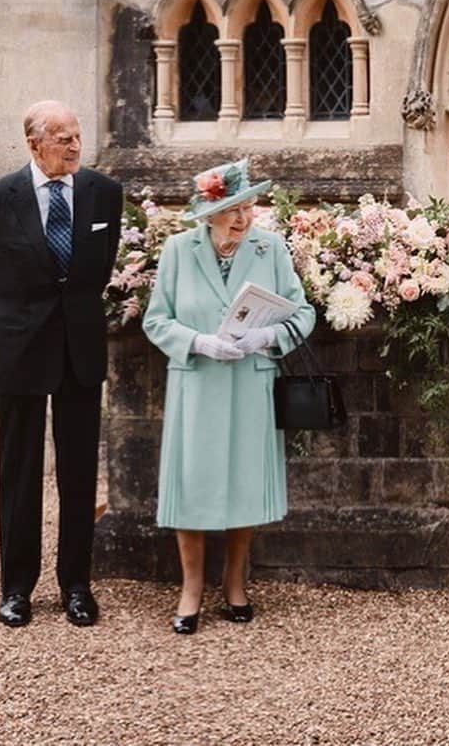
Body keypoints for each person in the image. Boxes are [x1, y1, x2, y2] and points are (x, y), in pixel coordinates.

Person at [0, 101, 123, 627]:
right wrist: (21, 321)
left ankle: (76, 584)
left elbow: (97, 272)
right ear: (34, 144)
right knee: (19, 472)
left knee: (78, 474)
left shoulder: (105, 193)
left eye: (77, 136)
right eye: (63, 138)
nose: (75, 146)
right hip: (19, 347)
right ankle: (16, 589)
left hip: (80, 349)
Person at [142, 159, 315, 634]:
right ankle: (191, 588)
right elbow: (156, 320)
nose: (243, 218)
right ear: (208, 212)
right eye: (232, 209)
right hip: (196, 380)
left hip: (249, 380)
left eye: (249, 206)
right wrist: (198, 342)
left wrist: (266, 338)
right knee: (191, 485)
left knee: (242, 482)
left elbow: (302, 315)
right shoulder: (178, 250)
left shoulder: (270, 248)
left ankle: (235, 583)